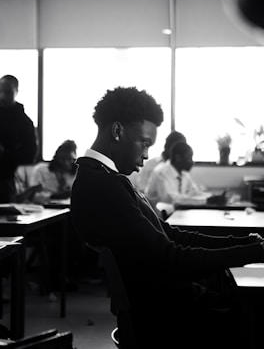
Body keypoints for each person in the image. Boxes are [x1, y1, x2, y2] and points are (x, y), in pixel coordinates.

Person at [70, 86, 264, 349]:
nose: (147, 154)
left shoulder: (107, 178)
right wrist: (250, 253)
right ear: (117, 131)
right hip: (167, 317)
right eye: (145, 142)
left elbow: (170, 234)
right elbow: (171, 258)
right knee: (252, 307)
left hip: (165, 302)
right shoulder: (102, 185)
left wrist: (242, 243)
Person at [0, 74, 37, 203]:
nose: (2, 96)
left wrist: (5, 153)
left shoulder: (24, 122)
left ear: (16, 92)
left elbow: (30, 155)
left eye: (7, 92)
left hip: (4, 180)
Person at [145, 141, 211, 210]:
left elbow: (194, 192)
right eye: (189, 158)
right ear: (178, 157)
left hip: (174, 212)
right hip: (158, 216)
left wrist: (212, 197)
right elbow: (173, 200)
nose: (192, 162)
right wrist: (206, 201)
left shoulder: (184, 174)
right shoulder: (161, 173)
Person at [30, 139, 77, 204]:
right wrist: (54, 196)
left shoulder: (75, 174)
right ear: (56, 158)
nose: (66, 163)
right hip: (48, 206)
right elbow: (33, 196)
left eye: (69, 159)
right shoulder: (41, 170)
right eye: (62, 159)